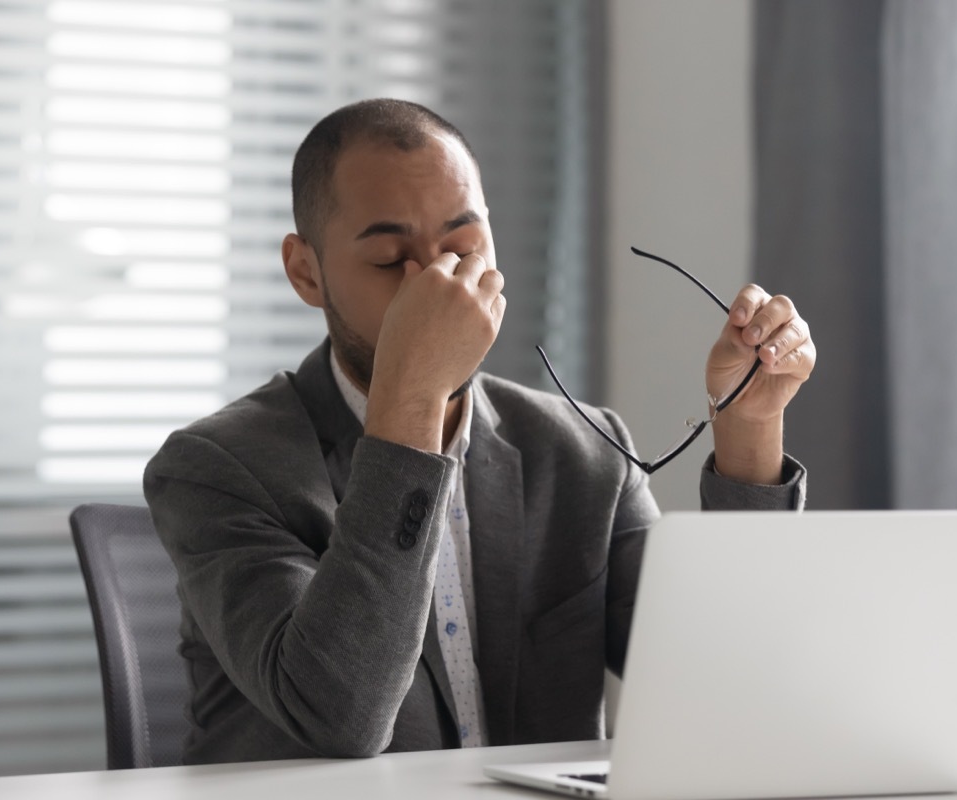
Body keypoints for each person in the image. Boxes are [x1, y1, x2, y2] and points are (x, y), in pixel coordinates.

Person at [144, 98, 815, 765]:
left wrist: (749, 429)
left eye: (464, 246)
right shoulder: (217, 468)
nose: (442, 284)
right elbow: (340, 715)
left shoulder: (580, 455)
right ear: (306, 271)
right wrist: (412, 401)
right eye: (389, 259)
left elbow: (730, 690)